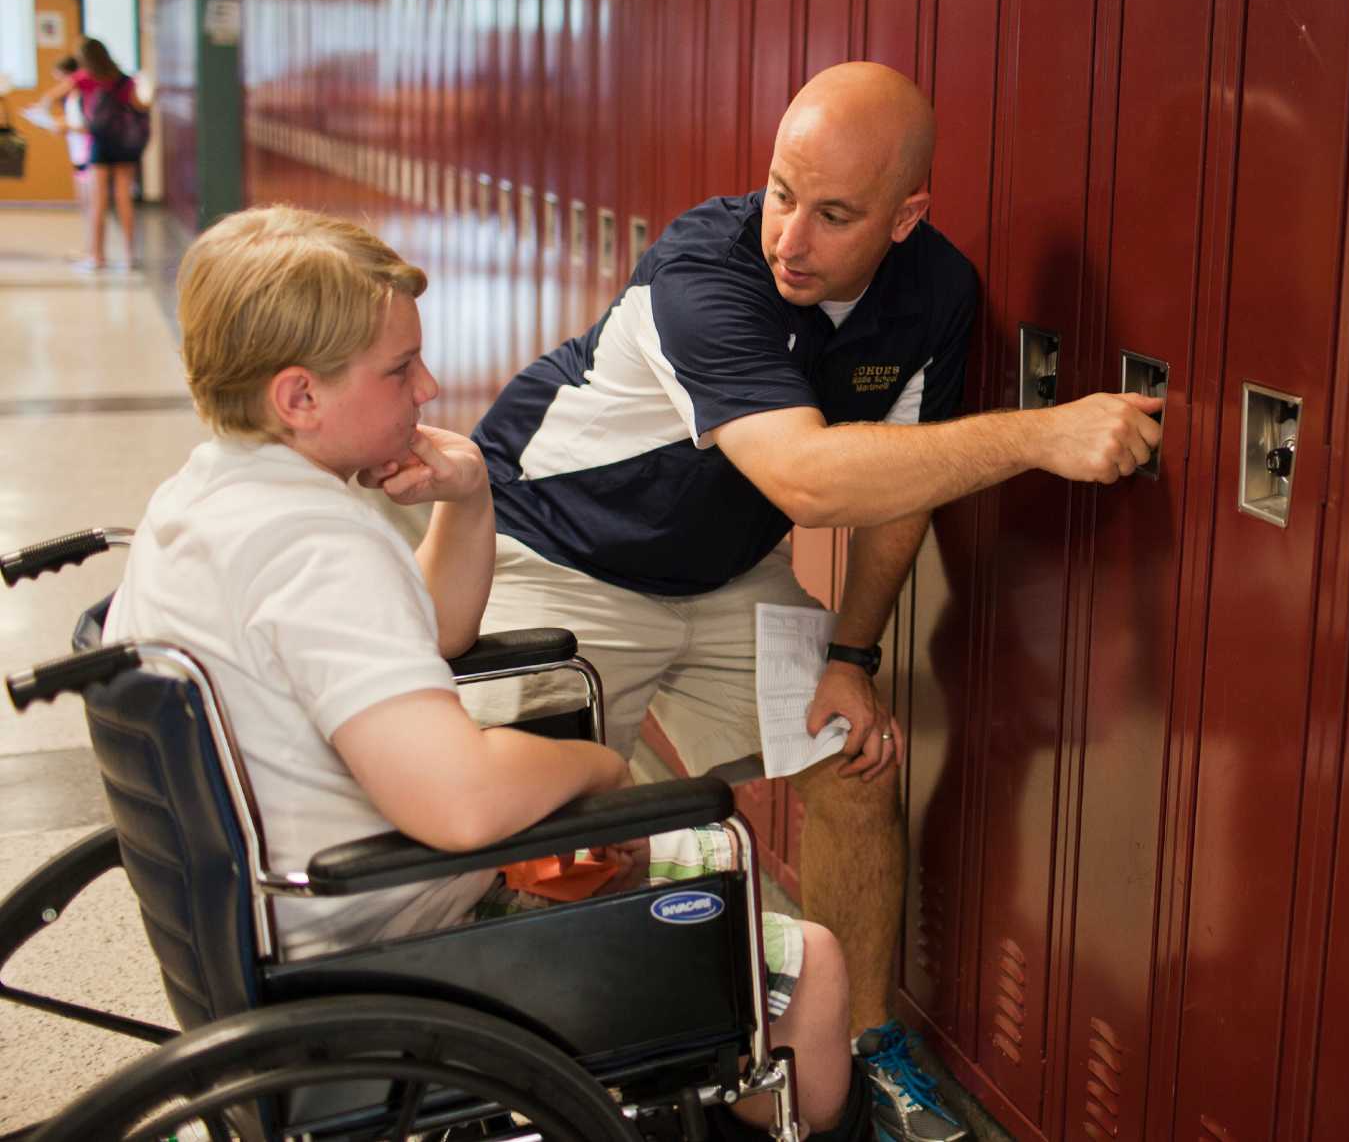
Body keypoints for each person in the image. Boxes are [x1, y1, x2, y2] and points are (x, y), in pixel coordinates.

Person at [472, 60, 1163, 1140]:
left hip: (720, 574)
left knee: (851, 754)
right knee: (523, 827)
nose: (788, 237)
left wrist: (854, 652)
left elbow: (902, 484)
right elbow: (807, 479)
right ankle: (521, 1063)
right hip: (559, 550)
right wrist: (1042, 434)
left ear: (906, 218)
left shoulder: (936, 293)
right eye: (781, 191)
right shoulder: (705, 270)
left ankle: (859, 1048)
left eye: (833, 214)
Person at [105, 206, 866, 1139]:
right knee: (811, 966)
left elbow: (422, 635)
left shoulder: (202, 504)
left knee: (669, 870)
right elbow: (460, 807)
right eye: (398, 369)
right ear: (298, 396)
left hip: (291, 933)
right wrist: (601, 769)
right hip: (404, 956)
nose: (427, 386)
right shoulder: (316, 548)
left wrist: (469, 500)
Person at [66, 37, 149, 271]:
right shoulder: (125, 80)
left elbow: (50, 97)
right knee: (124, 198)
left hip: (100, 142)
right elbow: (141, 106)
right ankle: (129, 255)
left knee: (98, 200)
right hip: (125, 143)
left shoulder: (84, 78)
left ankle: (97, 256)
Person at [31, 56, 97, 265]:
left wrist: (63, 125)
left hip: (87, 154)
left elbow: (87, 126)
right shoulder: (74, 98)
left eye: (62, 79)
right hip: (77, 153)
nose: (61, 85)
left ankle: (94, 252)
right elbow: (72, 122)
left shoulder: (84, 95)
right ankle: (90, 249)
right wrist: (54, 124)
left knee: (91, 205)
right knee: (84, 205)